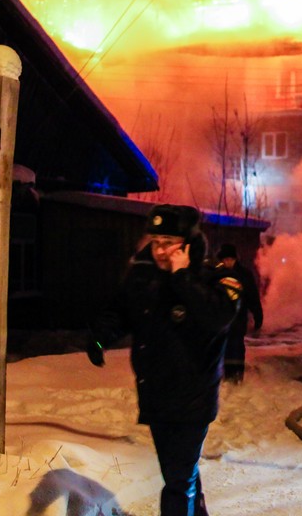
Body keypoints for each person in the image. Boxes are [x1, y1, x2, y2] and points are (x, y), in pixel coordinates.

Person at [87, 205, 241, 516]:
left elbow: (217, 318)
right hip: (156, 396)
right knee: (180, 473)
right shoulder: (143, 276)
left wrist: (182, 276)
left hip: (193, 399)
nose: (160, 250)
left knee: (176, 480)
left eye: (168, 242)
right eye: (156, 241)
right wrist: (100, 337)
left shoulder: (213, 279)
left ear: (187, 244)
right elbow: (119, 310)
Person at [215, 243, 263, 383]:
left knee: (237, 348)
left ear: (236, 259)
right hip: (222, 319)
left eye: (231, 259)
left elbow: (252, 296)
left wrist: (257, 314)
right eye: (226, 259)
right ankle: (227, 376)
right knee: (225, 349)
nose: (229, 262)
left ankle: (237, 378)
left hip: (238, 318)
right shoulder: (216, 274)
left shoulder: (244, 275)